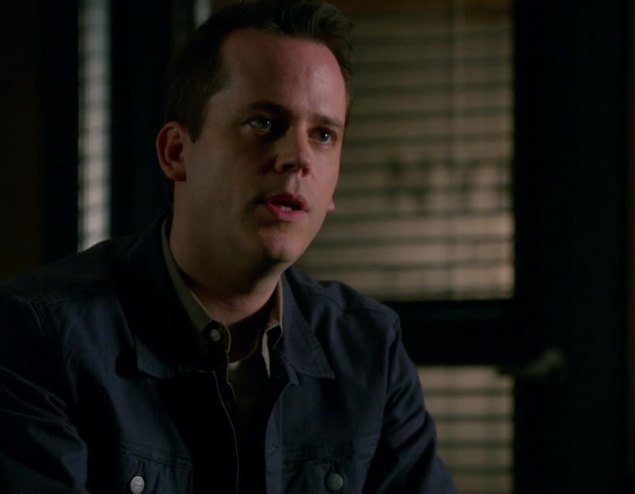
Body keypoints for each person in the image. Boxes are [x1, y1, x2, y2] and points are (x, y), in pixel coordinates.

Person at [0, 1, 456, 492]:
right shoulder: (40, 335)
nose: (299, 158)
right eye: (264, 123)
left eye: (323, 134)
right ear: (177, 152)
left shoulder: (368, 350)